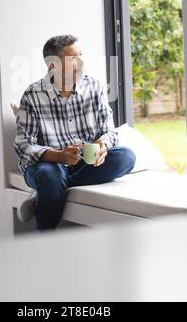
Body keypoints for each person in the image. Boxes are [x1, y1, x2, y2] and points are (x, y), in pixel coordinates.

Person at [14, 34, 136, 230]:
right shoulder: (33, 95)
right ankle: (46, 245)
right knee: (49, 176)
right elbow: (23, 145)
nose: (81, 62)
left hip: (83, 163)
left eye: (81, 55)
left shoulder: (94, 87)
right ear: (53, 66)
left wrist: (102, 145)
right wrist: (58, 156)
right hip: (48, 164)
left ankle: (46, 193)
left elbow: (109, 130)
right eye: (73, 58)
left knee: (126, 157)